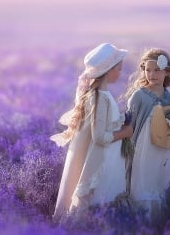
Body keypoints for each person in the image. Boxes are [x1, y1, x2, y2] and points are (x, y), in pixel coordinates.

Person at [50, 43, 133, 222]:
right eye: (119, 68)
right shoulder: (100, 98)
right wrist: (125, 132)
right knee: (99, 202)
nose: (120, 72)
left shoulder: (96, 94)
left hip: (104, 157)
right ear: (109, 71)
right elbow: (100, 136)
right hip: (102, 161)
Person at [122, 48, 170, 219]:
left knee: (160, 183)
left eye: (157, 70)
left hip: (163, 150)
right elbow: (129, 127)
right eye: (148, 70)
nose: (152, 74)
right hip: (142, 151)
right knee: (142, 184)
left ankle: (160, 223)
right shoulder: (138, 96)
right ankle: (141, 222)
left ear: (166, 72)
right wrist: (127, 155)